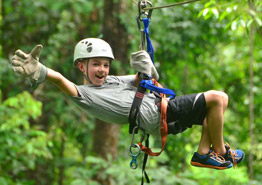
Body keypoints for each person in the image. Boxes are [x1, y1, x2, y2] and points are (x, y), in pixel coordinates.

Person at [10, 38, 244, 170]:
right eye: (96, 65)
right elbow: (61, 80)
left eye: (105, 65)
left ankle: (204, 152)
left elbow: (139, 80)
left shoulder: (110, 81)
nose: (102, 70)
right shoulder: (84, 95)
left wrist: (145, 65)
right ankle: (221, 152)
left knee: (212, 113)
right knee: (219, 97)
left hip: (162, 111)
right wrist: (39, 70)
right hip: (158, 114)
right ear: (82, 66)